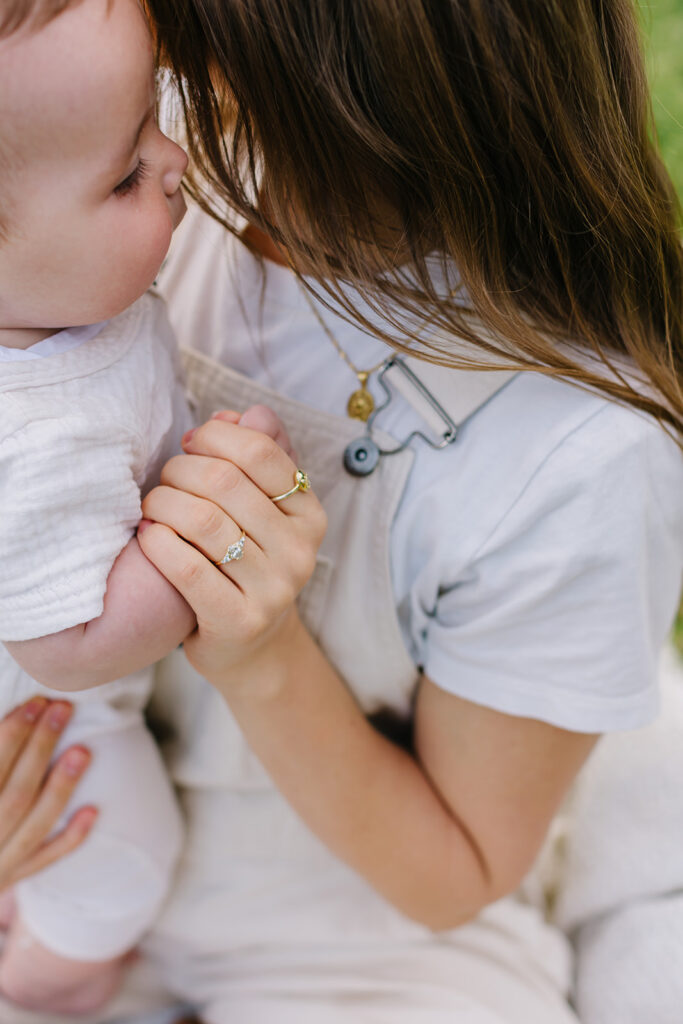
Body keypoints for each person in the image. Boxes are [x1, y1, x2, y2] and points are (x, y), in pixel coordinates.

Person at [2, 0, 683, 1022]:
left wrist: (260, 650)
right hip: (65, 856)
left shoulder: (577, 450)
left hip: (353, 932)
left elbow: (454, 870)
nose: (181, 134)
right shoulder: (108, 144)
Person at [0, 0, 293, 1014]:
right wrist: (202, 531)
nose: (173, 159)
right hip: (46, 726)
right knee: (122, 855)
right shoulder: (37, 434)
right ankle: (49, 975)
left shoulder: (52, 293)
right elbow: (69, 645)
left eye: (151, 124)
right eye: (126, 173)